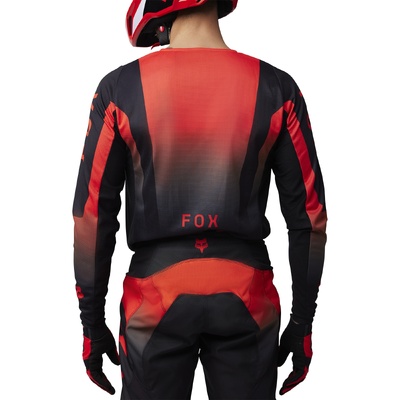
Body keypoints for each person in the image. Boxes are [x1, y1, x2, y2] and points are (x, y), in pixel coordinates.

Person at [72, 1, 327, 399]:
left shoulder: (119, 88)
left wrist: (91, 323)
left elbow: (92, 216)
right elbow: (309, 218)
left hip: (154, 296)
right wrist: (302, 323)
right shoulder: (277, 88)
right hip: (247, 295)